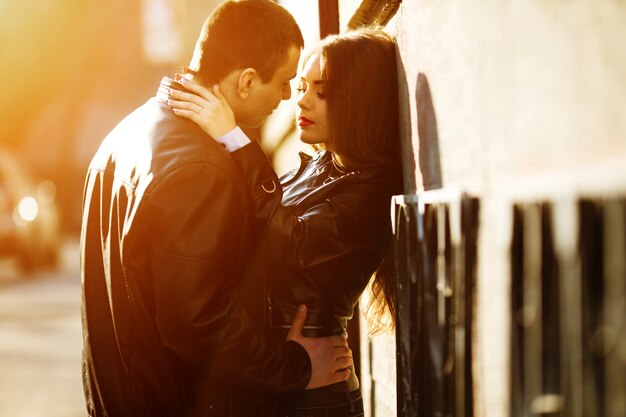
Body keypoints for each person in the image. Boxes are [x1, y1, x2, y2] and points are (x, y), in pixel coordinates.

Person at [80, 1, 353, 416]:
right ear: (245, 82)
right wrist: (296, 367)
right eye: (282, 83)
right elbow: (197, 325)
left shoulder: (126, 134)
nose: (286, 98)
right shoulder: (201, 167)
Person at [167, 27, 401, 417]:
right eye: (301, 88)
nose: (303, 102)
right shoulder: (318, 169)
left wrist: (235, 140)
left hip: (314, 395)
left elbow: (294, 245)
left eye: (322, 92)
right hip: (282, 377)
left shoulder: (373, 190)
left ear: (361, 99)